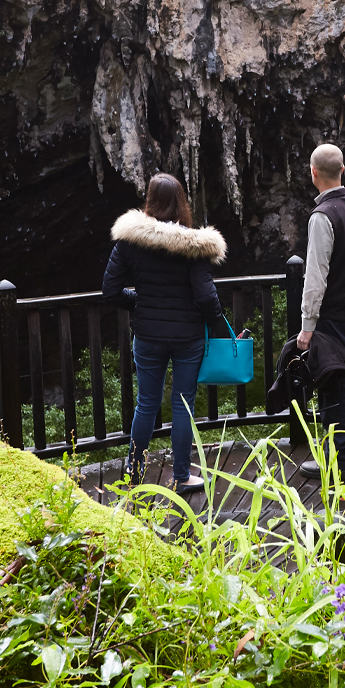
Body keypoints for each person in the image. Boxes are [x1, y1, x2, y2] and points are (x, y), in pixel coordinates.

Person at [101, 173, 226, 493]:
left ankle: (133, 471)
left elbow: (110, 290)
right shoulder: (193, 245)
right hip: (188, 338)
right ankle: (183, 476)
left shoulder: (131, 241)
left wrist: (139, 302)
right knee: (183, 404)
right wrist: (214, 323)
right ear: (181, 202)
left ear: (150, 200)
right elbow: (206, 298)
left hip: (147, 336)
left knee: (146, 404)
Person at [296, 143, 345, 480]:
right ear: (344, 169)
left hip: (331, 318)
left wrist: (307, 326)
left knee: (333, 386)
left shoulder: (322, 217)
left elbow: (315, 277)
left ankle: (340, 462)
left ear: (314, 174)